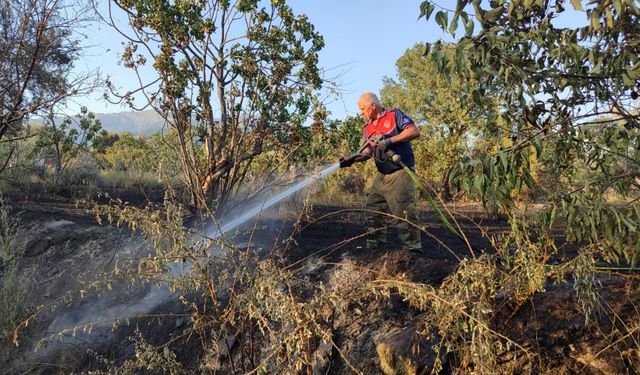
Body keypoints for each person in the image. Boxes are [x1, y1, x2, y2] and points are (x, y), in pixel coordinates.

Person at [339, 92, 422, 252]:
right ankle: (374, 249)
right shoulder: (368, 127)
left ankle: (412, 251)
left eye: (363, 109)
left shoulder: (394, 115)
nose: (361, 113)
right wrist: (351, 159)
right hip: (382, 176)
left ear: (373, 106)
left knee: (404, 211)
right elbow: (366, 152)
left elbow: (413, 131)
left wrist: (390, 140)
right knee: (372, 207)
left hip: (401, 173)